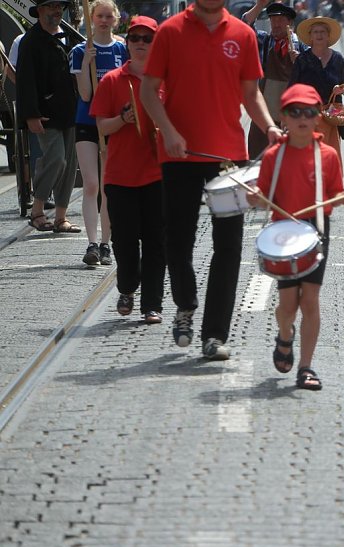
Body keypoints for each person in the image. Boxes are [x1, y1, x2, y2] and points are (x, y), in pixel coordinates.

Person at [140, 0, 282, 360]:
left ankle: (215, 335)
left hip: (227, 156)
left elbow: (251, 95)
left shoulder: (243, 33)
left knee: (229, 246)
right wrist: (167, 131)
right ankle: (185, 304)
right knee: (178, 239)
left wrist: (269, 126)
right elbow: (148, 90)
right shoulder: (171, 30)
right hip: (178, 154)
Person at [249, 84, 344, 390]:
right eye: (294, 112)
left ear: (318, 117)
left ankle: (306, 367)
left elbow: (335, 193)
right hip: (283, 231)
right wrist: (257, 197)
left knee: (310, 300)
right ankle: (285, 336)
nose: (302, 118)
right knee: (287, 304)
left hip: (316, 228)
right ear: (283, 117)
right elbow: (263, 192)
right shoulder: (274, 155)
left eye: (309, 112)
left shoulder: (327, 155)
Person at [89, 16, 166, 324]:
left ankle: (151, 304)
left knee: (156, 242)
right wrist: (123, 119)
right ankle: (126, 287)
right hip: (120, 176)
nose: (140, 44)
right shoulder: (111, 81)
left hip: (156, 173)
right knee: (123, 240)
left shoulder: (166, 82)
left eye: (147, 39)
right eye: (135, 38)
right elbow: (101, 127)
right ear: (128, 42)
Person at [70, 0, 128, 266]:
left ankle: (106, 243)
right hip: (86, 121)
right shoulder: (81, 50)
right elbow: (84, 93)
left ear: (115, 19)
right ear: (91, 19)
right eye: (99, 16)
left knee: (108, 187)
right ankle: (92, 243)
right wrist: (87, 62)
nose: (104, 21)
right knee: (91, 184)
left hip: (113, 123)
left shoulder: (122, 49)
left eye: (108, 16)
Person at [16, 0, 80, 234]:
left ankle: (61, 218)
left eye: (58, 6)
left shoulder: (69, 37)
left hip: (70, 111)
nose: (56, 10)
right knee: (56, 159)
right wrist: (30, 114)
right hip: (44, 114)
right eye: (51, 6)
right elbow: (25, 80)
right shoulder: (31, 41)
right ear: (40, 10)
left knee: (70, 165)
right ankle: (37, 211)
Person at [242, 0, 305, 159]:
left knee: (288, 161)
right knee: (257, 159)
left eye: (280, 20)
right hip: (264, 115)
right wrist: (259, 6)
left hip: (290, 116)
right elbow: (245, 24)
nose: (275, 24)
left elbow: (311, 79)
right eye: (273, 20)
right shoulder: (265, 41)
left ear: (290, 23)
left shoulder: (302, 47)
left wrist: (299, 62)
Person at [290, 16, 344, 162]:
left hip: (331, 116)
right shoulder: (302, 60)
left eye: (323, 31)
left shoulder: (339, 59)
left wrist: (340, 89)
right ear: (310, 37)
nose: (319, 35)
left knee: (330, 155)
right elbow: (292, 87)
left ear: (328, 35)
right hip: (307, 115)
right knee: (309, 157)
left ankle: (331, 184)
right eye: (315, 32)